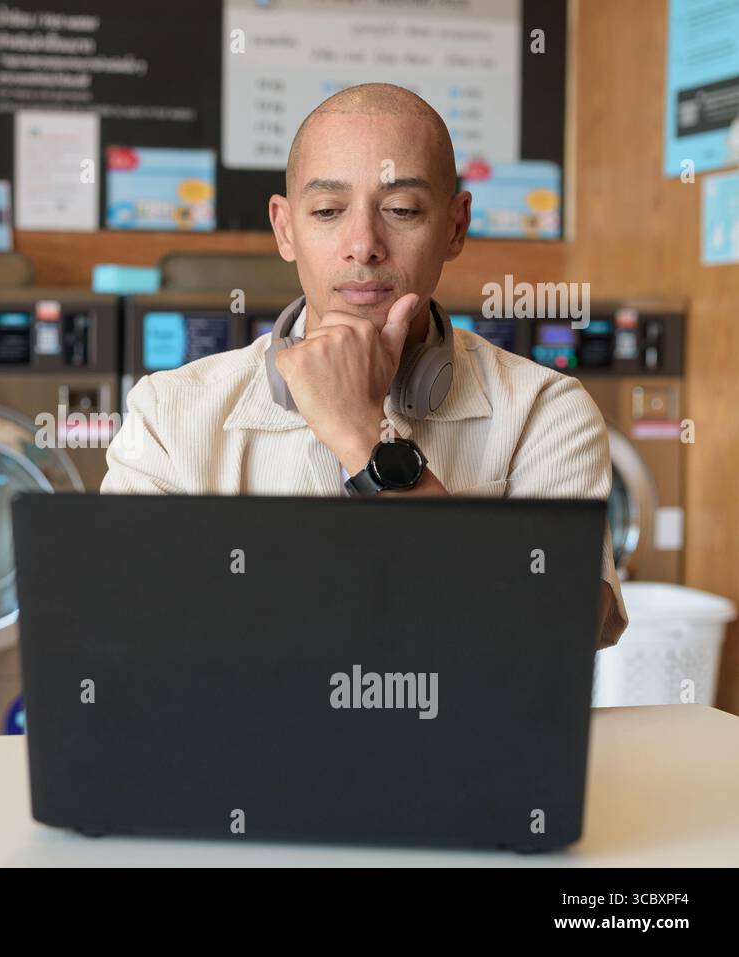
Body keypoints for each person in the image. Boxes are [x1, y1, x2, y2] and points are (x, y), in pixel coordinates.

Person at [102, 82, 627, 649]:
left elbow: (552, 641)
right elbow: (123, 633)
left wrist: (364, 440)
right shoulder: (168, 412)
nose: (363, 244)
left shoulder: (546, 411)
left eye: (401, 210)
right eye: (328, 210)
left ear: (455, 227)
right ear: (285, 229)